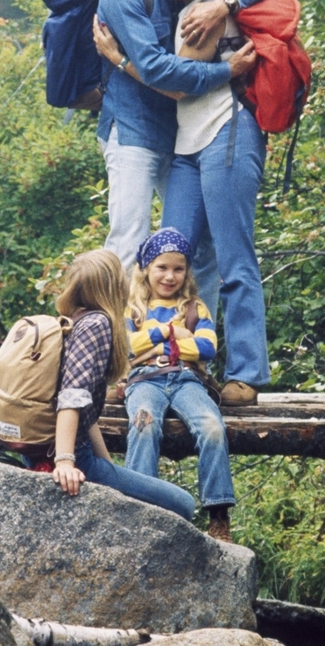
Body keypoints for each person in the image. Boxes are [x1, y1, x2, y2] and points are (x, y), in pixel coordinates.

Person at [95, 0, 270, 405]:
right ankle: (157, 363)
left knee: (235, 255)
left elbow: (171, 82)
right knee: (169, 258)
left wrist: (119, 60)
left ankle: (247, 374)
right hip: (188, 144)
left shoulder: (203, 11)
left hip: (227, 133)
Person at [49, 248, 196, 521]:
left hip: (72, 451)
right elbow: (71, 395)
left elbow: (86, 409)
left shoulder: (76, 320)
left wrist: (106, 466)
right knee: (184, 504)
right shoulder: (97, 324)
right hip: (74, 457)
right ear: (113, 286)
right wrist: (65, 462)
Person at [122, 228, 235, 542]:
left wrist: (155, 344)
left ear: (187, 272)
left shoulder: (195, 308)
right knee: (143, 424)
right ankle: (138, 510)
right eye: (162, 267)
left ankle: (218, 513)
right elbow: (129, 346)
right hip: (145, 380)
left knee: (212, 426)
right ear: (146, 268)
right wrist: (168, 335)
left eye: (178, 268)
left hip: (186, 379)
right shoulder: (133, 309)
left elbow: (208, 347)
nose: (170, 276)